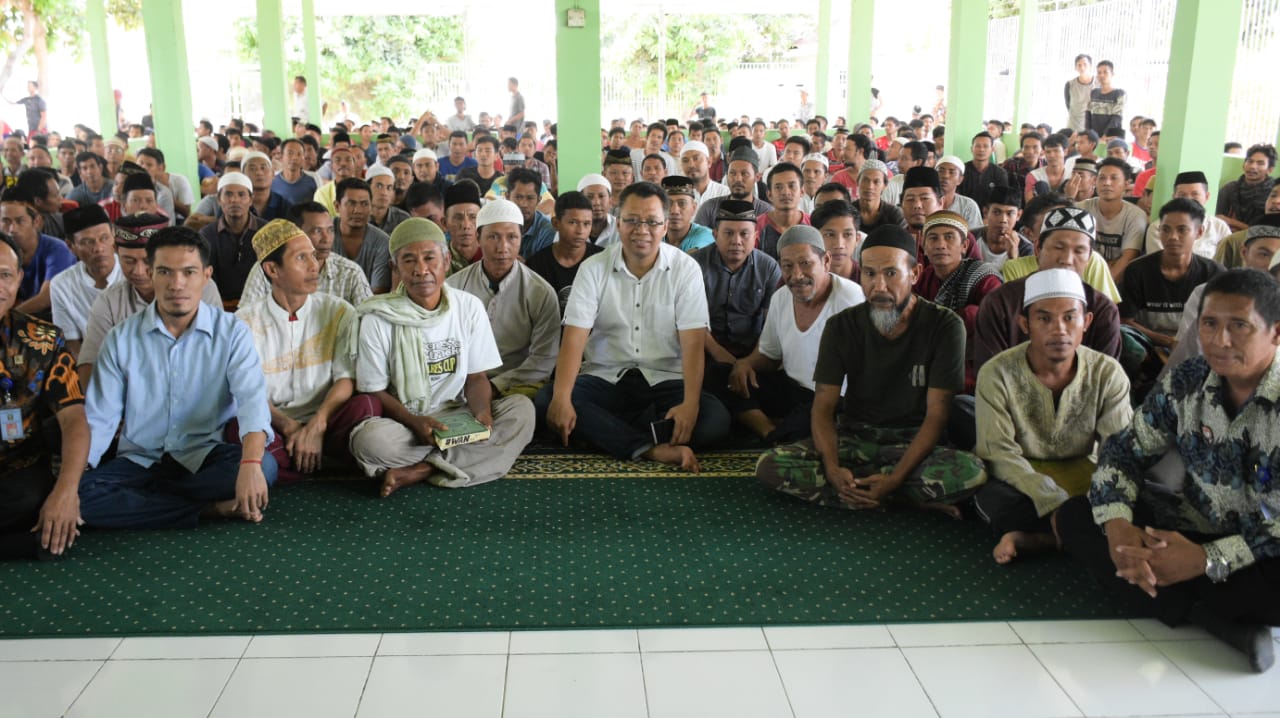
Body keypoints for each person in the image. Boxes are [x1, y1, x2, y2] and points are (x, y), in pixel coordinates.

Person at [1057, 268, 1280, 673]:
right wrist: (1119, 525)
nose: (1219, 340)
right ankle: (1211, 619)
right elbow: (1125, 451)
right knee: (1080, 517)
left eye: (1239, 326)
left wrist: (1207, 559)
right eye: (1209, 324)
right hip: (1190, 525)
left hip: (1259, 554)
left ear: (1276, 332)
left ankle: (1185, 599)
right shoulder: (1188, 381)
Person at [755, 224, 986, 513]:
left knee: (972, 471)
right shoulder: (841, 326)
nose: (878, 287)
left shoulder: (945, 326)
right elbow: (823, 408)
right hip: (854, 440)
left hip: (913, 443)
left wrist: (896, 477)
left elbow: (937, 416)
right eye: (869, 274)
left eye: (891, 273)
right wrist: (833, 468)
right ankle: (897, 499)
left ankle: (872, 493)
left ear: (914, 274)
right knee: (769, 466)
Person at [79, 226, 278, 529]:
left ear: (206, 275)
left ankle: (145, 504)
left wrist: (250, 465)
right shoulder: (121, 338)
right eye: (165, 272)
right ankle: (207, 510)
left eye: (188, 272)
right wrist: (77, 475)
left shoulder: (232, 333)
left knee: (264, 466)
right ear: (150, 272)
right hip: (139, 459)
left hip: (202, 456)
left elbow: (252, 401)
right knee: (80, 496)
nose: (177, 284)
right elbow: (100, 419)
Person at [536, 182, 730, 472]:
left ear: (665, 226)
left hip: (666, 379)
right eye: (632, 221)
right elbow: (574, 339)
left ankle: (610, 432)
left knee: (715, 420)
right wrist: (562, 398)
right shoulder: (594, 268)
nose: (642, 230)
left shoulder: (685, 269)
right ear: (619, 222)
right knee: (548, 401)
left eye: (652, 222)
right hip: (605, 377)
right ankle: (650, 445)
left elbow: (692, 344)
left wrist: (690, 404)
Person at [348, 218, 536, 495]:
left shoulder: (468, 307)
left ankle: (421, 470)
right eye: (409, 260)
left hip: (458, 415)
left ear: (446, 261)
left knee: (521, 411)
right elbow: (375, 391)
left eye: (429, 258)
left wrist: (482, 414)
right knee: (369, 443)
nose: (421, 270)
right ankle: (465, 461)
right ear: (395, 267)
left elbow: (476, 376)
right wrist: (415, 422)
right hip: (408, 424)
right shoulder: (377, 318)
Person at [973, 268, 1132, 564]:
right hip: (1022, 479)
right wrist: (1051, 499)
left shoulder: (1107, 372)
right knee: (990, 496)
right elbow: (998, 452)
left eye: (1069, 318)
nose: (1059, 329)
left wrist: (1102, 498)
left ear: (1086, 322)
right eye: (1044, 319)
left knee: (1143, 497)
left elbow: (1118, 450)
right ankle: (1076, 534)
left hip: (1086, 474)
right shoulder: (997, 373)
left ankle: (1043, 539)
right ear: (1025, 324)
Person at [234, 220, 380, 483]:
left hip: (328, 420)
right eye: (301, 258)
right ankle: (325, 463)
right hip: (273, 424)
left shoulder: (338, 311)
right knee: (236, 428)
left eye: (313, 255)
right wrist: (289, 426)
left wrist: (318, 424)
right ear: (272, 269)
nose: (315, 265)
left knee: (368, 405)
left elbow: (345, 379)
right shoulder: (244, 323)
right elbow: (247, 395)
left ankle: (295, 464)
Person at [0, 231, 92, 559]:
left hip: (15, 473)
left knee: (33, 496)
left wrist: (66, 492)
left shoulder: (42, 340)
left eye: (5, 275)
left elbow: (74, 417)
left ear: (18, 280)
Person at [728, 225, 864, 442]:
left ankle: (776, 433)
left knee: (802, 428)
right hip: (792, 389)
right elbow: (770, 356)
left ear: (826, 261)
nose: (797, 275)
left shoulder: (850, 300)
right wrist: (745, 364)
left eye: (805, 264)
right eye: (787, 266)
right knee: (726, 377)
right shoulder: (781, 297)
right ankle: (769, 430)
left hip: (833, 398)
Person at [76, 214, 223, 386]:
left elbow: (215, 353)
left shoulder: (201, 288)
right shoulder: (109, 302)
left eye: (147, 262)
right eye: (128, 261)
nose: (139, 271)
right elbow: (90, 365)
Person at [975, 206, 1122, 373]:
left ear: (1089, 258)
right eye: (1058, 248)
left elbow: (1104, 380)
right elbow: (990, 375)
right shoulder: (1000, 303)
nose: (1067, 259)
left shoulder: (1103, 311)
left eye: (1079, 251)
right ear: (1037, 249)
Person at [445, 199, 560, 398]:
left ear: (521, 239)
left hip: (516, 384)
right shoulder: (454, 287)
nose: (503, 247)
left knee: (523, 411)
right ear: (478, 237)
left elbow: (543, 359)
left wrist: (497, 385)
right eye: (493, 237)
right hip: (462, 384)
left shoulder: (540, 292)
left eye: (512, 237)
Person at [1166, 220, 1280, 372]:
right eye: (1264, 254)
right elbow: (1189, 356)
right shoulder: (1210, 295)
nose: (1271, 264)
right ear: (1245, 253)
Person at [1120, 198, 1226, 354]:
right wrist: (1169, 342)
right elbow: (1125, 321)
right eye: (1166, 229)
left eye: (1182, 230)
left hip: (1197, 349)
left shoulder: (1214, 274)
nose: (1172, 237)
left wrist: (1185, 346)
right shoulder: (1137, 271)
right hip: (1147, 347)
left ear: (1199, 232)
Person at [49, 205, 122, 357]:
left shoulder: (133, 274)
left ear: (113, 234)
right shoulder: (61, 285)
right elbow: (71, 342)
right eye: (88, 242)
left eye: (104, 238)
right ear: (70, 246)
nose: (98, 248)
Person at [2, 186, 75, 319]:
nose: (12, 229)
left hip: (52, 322)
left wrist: (6, 318)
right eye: (5, 221)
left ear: (37, 222)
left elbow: (46, 298)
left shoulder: (57, 249)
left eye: (20, 221)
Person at [526, 191, 603, 313]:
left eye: (587, 224)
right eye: (573, 222)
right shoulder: (536, 265)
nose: (580, 231)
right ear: (556, 223)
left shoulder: (602, 260)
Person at [198, 172, 266, 305]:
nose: (235, 200)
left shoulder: (267, 231)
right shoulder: (207, 235)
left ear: (251, 199)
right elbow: (205, 279)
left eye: (241, 195)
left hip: (260, 306)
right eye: (228, 194)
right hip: (218, 306)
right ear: (219, 199)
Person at [1078, 158, 1145, 281]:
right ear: (1095, 181)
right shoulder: (1081, 209)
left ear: (1126, 183)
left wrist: (1102, 287)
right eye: (1102, 178)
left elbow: (1128, 258)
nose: (1107, 183)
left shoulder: (1136, 215)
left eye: (1114, 178)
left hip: (1117, 282)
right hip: (1084, 276)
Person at [331, 177, 392, 293]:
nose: (358, 210)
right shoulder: (322, 235)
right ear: (337, 206)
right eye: (351, 203)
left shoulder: (382, 243)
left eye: (364, 204)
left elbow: (378, 292)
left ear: (371, 208)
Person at [1217, 144, 1278, 233]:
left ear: (1270, 170)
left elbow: (1268, 230)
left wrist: (1231, 222)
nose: (1253, 166)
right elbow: (1218, 219)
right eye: (1250, 161)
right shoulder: (1230, 188)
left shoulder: (1274, 193)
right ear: (1244, 165)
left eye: (1260, 163)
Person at [973, 186, 1033, 271]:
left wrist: (1013, 258)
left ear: (1018, 215)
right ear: (985, 212)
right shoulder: (970, 238)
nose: (1003, 220)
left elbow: (1023, 283)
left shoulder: (1026, 249)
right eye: (997, 212)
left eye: (1010, 214)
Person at [756, 163, 809, 259]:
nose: (785, 192)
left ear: (802, 192)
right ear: (769, 194)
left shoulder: (813, 224)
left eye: (791, 186)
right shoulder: (756, 227)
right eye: (778, 187)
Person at [660, 175, 714, 252]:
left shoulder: (706, 236)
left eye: (682, 203)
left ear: (694, 208)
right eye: (668, 203)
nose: (674, 211)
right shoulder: (654, 235)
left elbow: (694, 257)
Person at [958, 133, 1010, 212]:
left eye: (985, 146)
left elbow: (1002, 200)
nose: (981, 149)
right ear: (972, 149)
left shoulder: (1000, 173)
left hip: (990, 217)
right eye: (977, 146)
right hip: (964, 214)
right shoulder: (961, 170)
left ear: (992, 149)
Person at [936, 156, 983, 230]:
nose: (945, 176)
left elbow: (975, 236)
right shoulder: (925, 201)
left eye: (952, 172)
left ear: (960, 180)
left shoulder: (968, 206)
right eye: (941, 171)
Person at [1085, 60, 1125, 135]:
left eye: (1105, 72)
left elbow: (1116, 118)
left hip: (1111, 137)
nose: (1102, 75)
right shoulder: (1093, 93)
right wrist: (1089, 134)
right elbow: (1088, 115)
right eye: (1099, 73)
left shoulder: (1120, 94)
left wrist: (1105, 135)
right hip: (1094, 137)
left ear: (1112, 74)